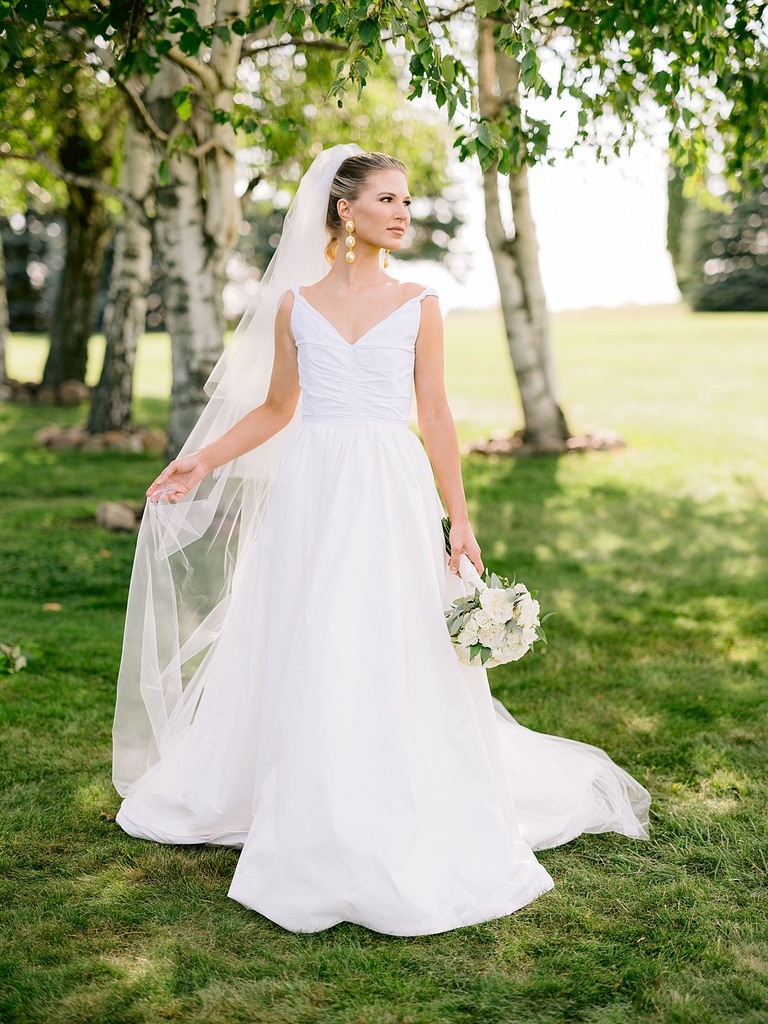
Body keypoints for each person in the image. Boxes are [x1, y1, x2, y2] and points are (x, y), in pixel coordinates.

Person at [112, 145, 650, 936]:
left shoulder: (419, 304)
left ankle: (392, 787)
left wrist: (457, 517)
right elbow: (273, 410)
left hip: (390, 486)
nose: (403, 213)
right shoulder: (295, 306)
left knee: (389, 634)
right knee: (312, 629)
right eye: (388, 200)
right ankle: (307, 792)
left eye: (406, 200)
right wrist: (199, 458)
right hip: (313, 486)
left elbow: (434, 415)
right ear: (344, 210)